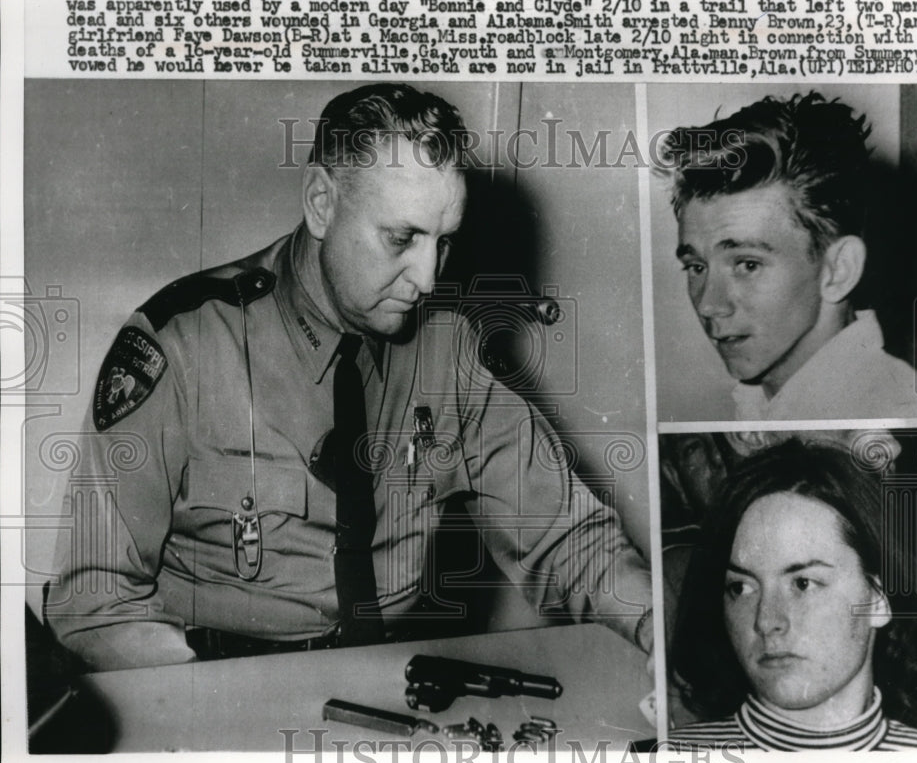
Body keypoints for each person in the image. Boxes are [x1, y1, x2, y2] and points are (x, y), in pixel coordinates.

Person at [44, 83, 654, 671]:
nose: (428, 279)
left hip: (388, 676)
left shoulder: (448, 351)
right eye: (401, 238)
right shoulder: (184, 346)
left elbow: (569, 539)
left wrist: (658, 626)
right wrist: (216, 700)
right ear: (321, 203)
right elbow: (95, 606)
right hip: (215, 676)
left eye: (443, 243)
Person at [657, 92, 917, 420]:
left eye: (747, 265)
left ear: (839, 270)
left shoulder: (905, 418)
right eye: (697, 267)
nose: (708, 305)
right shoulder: (759, 407)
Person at [667, 439, 917, 750]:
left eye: (803, 584)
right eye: (741, 588)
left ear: (878, 598)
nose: (766, 621)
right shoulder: (665, 760)